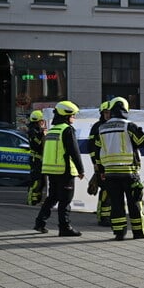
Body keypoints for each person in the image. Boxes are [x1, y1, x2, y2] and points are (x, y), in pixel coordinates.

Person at [93, 97, 144, 240]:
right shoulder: (128, 125)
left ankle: (119, 232)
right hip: (129, 172)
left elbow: (97, 148)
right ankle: (138, 232)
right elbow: (142, 142)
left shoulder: (101, 128)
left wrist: (100, 171)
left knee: (116, 204)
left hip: (110, 173)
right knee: (135, 203)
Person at [34, 101, 85, 237]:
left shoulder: (52, 130)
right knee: (65, 201)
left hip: (52, 171)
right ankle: (65, 227)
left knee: (52, 198)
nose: (74, 118)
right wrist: (81, 170)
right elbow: (74, 151)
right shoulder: (67, 130)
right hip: (65, 171)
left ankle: (39, 223)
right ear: (66, 115)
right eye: (73, 115)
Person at [87, 100, 111, 226]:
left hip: (112, 163)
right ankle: (103, 216)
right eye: (105, 113)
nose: (107, 115)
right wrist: (95, 163)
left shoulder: (114, 125)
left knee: (111, 191)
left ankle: (108, 215)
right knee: (105, 190)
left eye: (109, 112)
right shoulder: (97, 126)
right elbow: (91, 146)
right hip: (101, 163)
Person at [25, 110, 46, 206]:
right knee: (36, 181)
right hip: (35, 159)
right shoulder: (33, 131)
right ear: (37, 121)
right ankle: (31, 200)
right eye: (42, 120)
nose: (43, 122)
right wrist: (42, 134)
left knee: (41, 181)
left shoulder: (37, 130)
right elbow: (36, 144)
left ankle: (37, 199)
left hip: (40, 159)